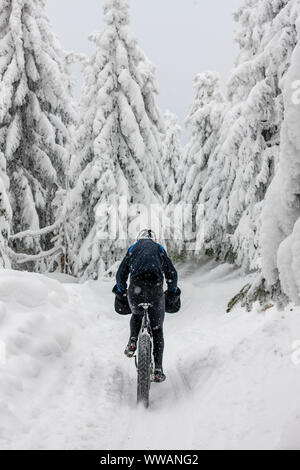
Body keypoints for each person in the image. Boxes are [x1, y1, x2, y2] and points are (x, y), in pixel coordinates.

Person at [114, 229, 179, 383]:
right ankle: (158, 369)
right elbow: (172, 273)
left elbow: (120, 274)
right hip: (155, 289)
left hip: (136, 289)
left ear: (139, 238)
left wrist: (121, 290)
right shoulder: (159, 248)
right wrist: (172, 291)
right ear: (153, 239)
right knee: (157, 329)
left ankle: (132, 341)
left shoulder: (133, 249)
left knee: (136, 314)